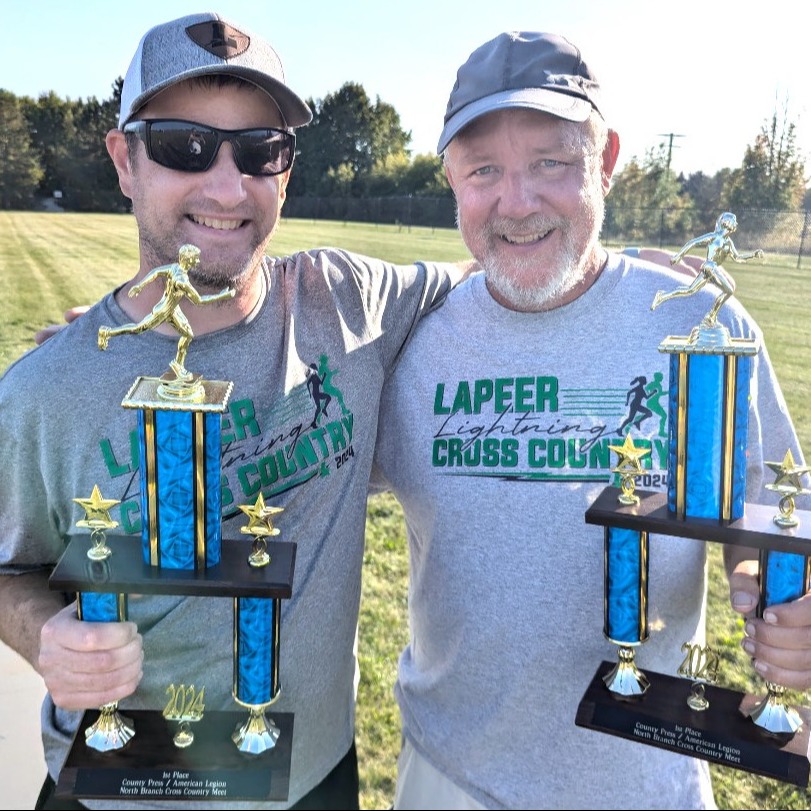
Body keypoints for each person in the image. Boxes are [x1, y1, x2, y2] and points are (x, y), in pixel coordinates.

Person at [0, 12, 472, 811]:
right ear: (124, 159)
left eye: (260, 151)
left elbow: (491, 265)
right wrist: (43, 633)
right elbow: (9, 566)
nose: (227, 186)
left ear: (285, 172)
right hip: (118, 790)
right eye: (184, 146)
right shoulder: (47, 388)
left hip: (310, 776)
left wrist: (616, 267)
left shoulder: (347, 302)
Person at [371, 31, 810, 809]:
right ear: (451, 182)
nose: (517, 201)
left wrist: (775, 599)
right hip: (451, 772)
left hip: (642, 773)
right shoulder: (409, 341)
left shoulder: (700, 324)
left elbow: (768, 510)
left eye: (551, 163)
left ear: (605, 161)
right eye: (484, 172)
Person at [651, 211, 764, 325]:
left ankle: (662, 296)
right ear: (727, 223)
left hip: (711, 269)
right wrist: (678, 255)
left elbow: (738, 257)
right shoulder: (714, 236)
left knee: (690, 290)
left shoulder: (728, 243)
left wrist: (753, 255)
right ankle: (711, 316)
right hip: (710, 267)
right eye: (734, 222)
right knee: (729, 290)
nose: (736, 224)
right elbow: (693, 242)